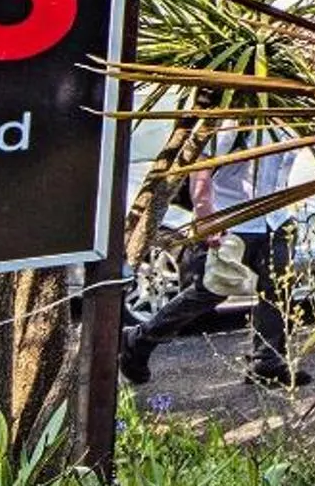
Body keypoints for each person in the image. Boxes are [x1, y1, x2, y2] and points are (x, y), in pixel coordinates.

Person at [119, 127, 303, 388]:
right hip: (234, 218)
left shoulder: (292, 120)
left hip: (276, 218)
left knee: (278, 287)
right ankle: (140, 340)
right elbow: (202, 166)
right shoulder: (239, 119)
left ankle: (267, 363)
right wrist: (206, 216)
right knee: (212, 290)